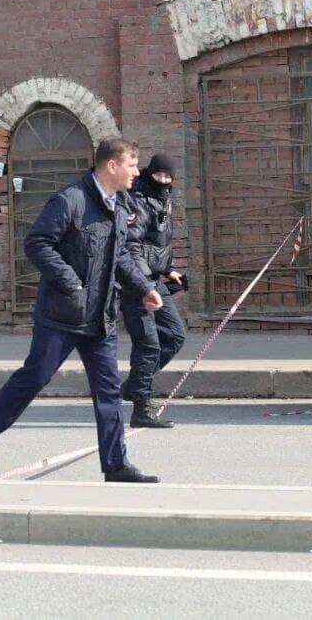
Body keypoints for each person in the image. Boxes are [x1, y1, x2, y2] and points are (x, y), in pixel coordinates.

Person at [0, 138, 163, 483]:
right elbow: (37, 243)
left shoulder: (118, 205)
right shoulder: (71, 200)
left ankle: (115, 465)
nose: (136, 172)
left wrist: (145, 287)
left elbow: (121, 256)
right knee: (34, 378)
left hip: (101, 317)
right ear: (112, 166)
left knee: (109, 392)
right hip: (61, 315)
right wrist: (70, 282)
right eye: (132, 164)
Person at [119, 153, 188, 429]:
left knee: (174, 336)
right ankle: (142, 409)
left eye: (168, 177)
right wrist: (144, 285)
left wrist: (169, 269)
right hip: (135, 282)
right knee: (148, 343)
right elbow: (132, 246)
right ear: (150, 173)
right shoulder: (137, 198)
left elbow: (157, 243)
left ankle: (135, 384)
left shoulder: (164, 198)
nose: (163, 180)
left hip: (155, 277)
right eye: (159, 175)